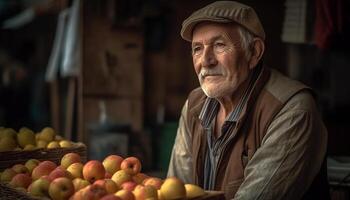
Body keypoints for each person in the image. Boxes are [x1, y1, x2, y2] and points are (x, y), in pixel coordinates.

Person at [167, 1, 330, 199]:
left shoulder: (292, 110)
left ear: (253, 52)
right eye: (197, 49)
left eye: (219, 45)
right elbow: (175, 192)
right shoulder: (194, 105)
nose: (205, 61)